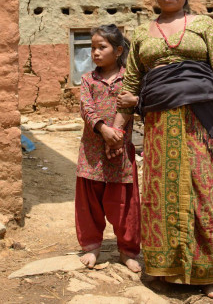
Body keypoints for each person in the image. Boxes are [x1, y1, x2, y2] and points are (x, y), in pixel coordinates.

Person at [114, 0, 213, 298]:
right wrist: (118, 128)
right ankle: (161, 268)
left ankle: (207, 273)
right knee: (159, 197)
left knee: (206, 195)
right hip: (158, 126)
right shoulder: (141, 32)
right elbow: (132, 84)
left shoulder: (205, 26)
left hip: (202, 120)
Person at [76, 24, 141, 273]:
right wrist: (103, 130)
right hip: (92, 152)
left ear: (118, 50)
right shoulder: (88, 80)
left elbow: (130, 108)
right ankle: (91, 247)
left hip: (120, 150)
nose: (95, 52)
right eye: (92, 47)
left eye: (101, 47)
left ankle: (128, 250)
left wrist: (117, 137)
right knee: (90, 201)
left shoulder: (130, 80)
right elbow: (86, 108)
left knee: (124, 203)